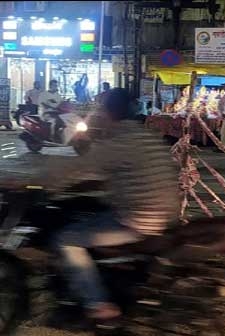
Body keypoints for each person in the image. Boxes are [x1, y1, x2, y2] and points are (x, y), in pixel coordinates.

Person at [8, 88, 180, 321]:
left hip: (139, 219)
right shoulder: (146, 136)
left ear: (109, 112)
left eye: (100, 108)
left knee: (66, 240)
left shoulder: (120, 141)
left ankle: (97, 303)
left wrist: (32, 182)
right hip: (166, 212)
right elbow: (108, 175)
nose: (97, 114)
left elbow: (77, 169)